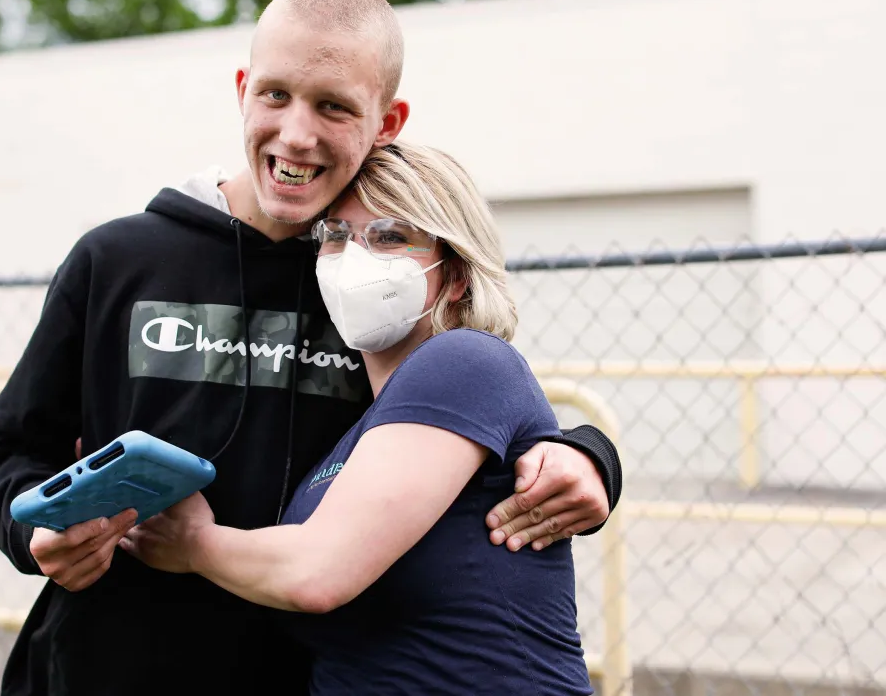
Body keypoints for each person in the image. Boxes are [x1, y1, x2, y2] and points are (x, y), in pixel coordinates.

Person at [0, 0, 621, 695]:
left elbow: (473, 413)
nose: (297, 133)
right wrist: (34, 535)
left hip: (292, 672)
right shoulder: (116, 260)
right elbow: (16, 450)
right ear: (244, 89)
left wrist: (586, 455)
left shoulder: (377, 291)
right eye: (275, 94)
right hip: (97, 669)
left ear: (388, 121)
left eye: (334, 106)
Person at [121, 141, 595, 695]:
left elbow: (316, 572)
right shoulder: (367, 419)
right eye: (337, 236)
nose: (355, 258)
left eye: (390, 236)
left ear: (458, 274)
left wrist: (194, 543)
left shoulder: (464, 359)